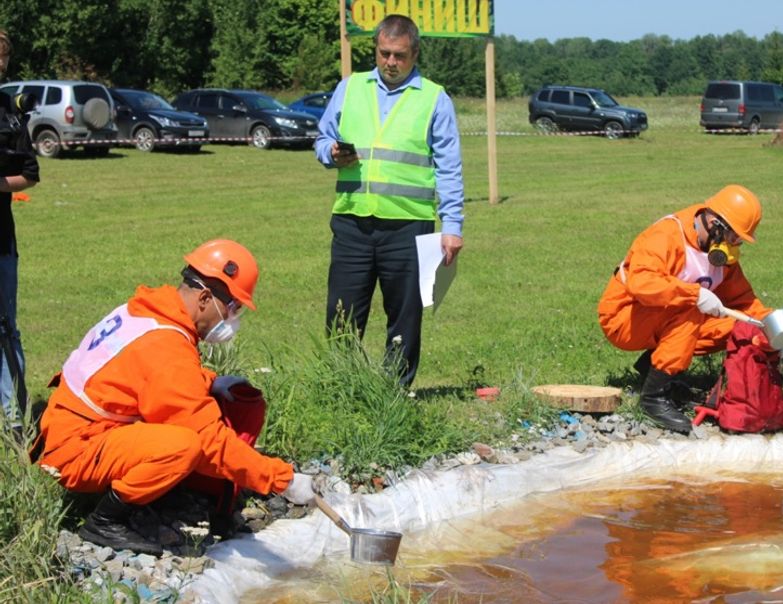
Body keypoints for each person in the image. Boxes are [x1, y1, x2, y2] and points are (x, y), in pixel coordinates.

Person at [35, 240, 317, 555]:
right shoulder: (166, 344)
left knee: (236, 402)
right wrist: (283, 480)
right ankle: (105, 520)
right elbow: (209, 440)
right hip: (74, 450)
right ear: (205, 298)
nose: (233, 319)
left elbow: (144, 376)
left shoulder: (154, 311)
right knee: (184, 445)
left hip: (77, 426)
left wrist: (210, 381)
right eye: (233, 308)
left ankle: (181, 491)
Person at [314, 13, 464, 387]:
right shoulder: (349, 88)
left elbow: (449, 166)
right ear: (376, 50)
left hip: (408, 225)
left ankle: (394, 393)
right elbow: (322, 139)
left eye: (399, 55)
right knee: (342, 312)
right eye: (384, 54)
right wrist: (330, 153)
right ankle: (341, 388)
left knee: (405, 315)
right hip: (352, 221)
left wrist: (453, 225)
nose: (391, 62)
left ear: (415, 54)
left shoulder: (434, 98)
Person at [597, 185, 772, 434]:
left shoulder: (719, 253)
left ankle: (653, 367)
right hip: (624, 317)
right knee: (690, 308)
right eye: (734, 237)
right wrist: (694, 294)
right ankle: (653, 398)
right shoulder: (666, 236)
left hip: (667, 319)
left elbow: (743, 302)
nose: (735, 246)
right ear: (714, 224)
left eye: (739, 240)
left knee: (742, 327)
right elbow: (642, 284)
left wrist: (770, 325)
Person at [0, 29, 39, 424]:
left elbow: (30, 174)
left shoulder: (10, 113)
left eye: (3, 58)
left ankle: (15, 420)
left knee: (6, 329)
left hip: (1, 241)